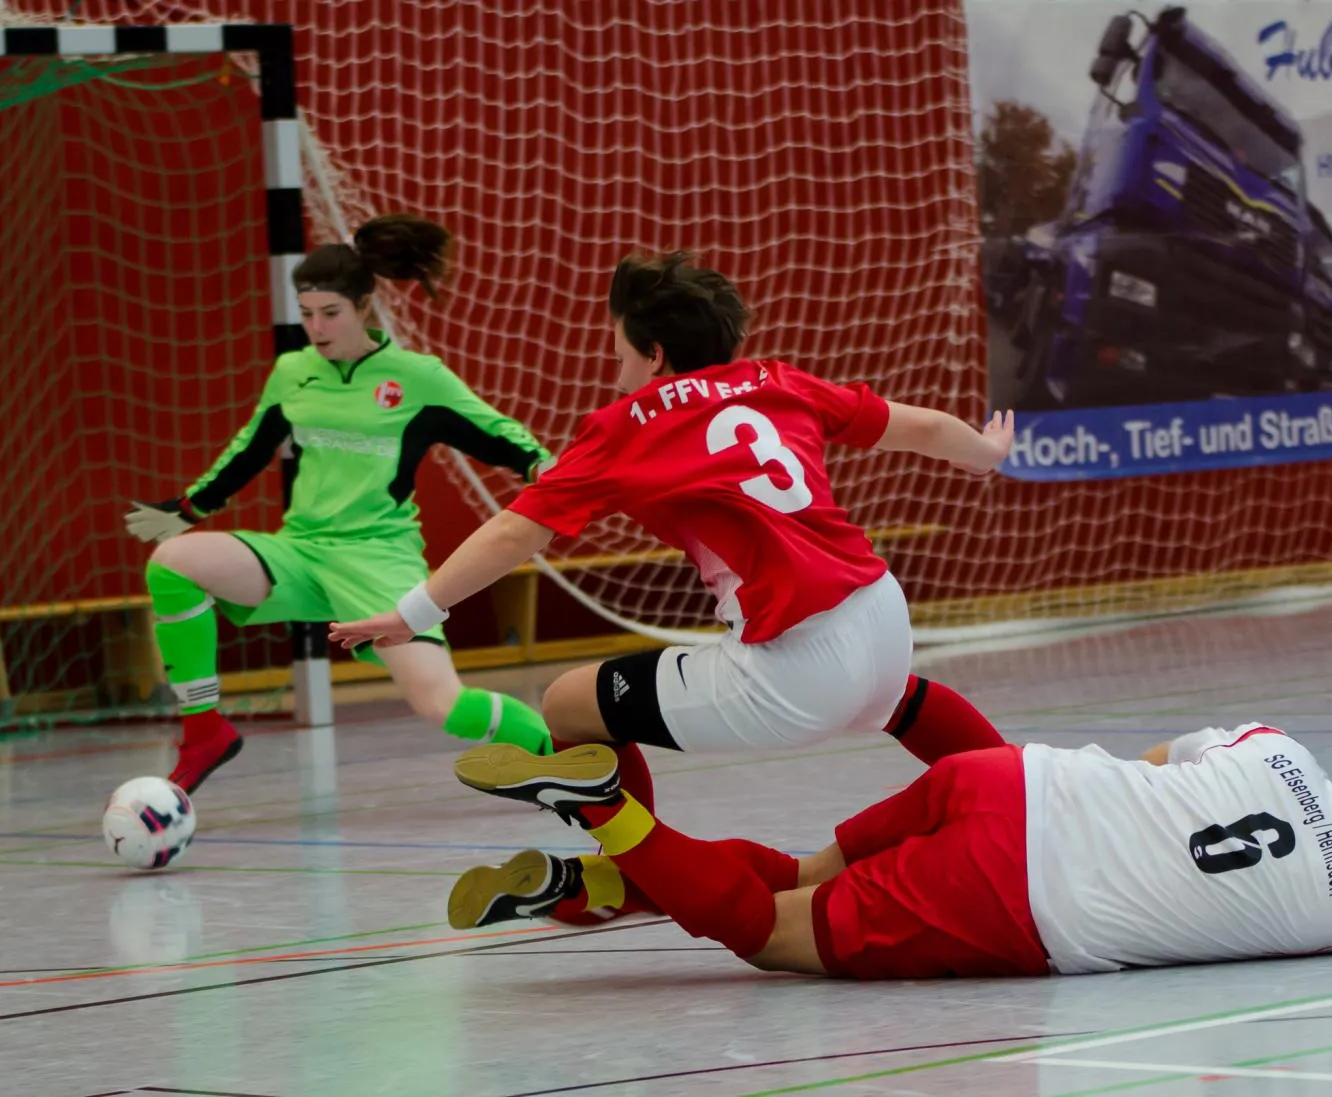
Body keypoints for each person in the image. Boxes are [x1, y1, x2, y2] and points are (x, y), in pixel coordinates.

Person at [328, 250, 1015, 920]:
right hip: (881, 611)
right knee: (896, 698)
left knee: (568, 706)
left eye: (620, 354)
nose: (619, 372)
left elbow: (514, 533)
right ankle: (1028, 795)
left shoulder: (628, 425)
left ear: (654, 355)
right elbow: (922, 426)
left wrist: (413, 612)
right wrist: (983, 453)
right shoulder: (776, 380)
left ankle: (628, 868)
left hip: (796, 666)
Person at [442, 725, 1332, 978]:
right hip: (1019, 897)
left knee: (798, 875)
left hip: (1010, 778)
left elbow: (1158, 758)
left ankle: (599, 880)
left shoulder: (1277, 748)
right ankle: (605, 813)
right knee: (768, 934)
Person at [122, 214, 558, 794]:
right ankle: (205, 731)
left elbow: (499, 435)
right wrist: (186, 509)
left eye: (330, 313)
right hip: (301, 553)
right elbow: (249, 449)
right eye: (306, 314)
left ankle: (562, 753)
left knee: (443, 705)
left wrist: (545, 468)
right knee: (174, 562)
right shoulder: (294, 372)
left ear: (364, 305)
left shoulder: (417, 378)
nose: (317, 328)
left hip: (377, 561)